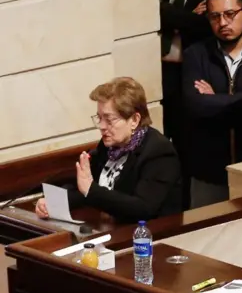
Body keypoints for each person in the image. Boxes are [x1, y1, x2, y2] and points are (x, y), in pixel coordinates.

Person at [35, 78, 183, 223]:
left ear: (134, 120)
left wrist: (91, 190)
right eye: (99, 118)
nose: (102, 126)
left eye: (109, 119)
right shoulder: (109, 147)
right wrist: (53, 203)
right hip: (111, 230)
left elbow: (143, 208)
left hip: (150, 234)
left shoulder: (159, 153)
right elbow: (85, 191)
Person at [181, 0, 242, 207]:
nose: (222, 23)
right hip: (209, 173)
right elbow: (197, 106)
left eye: (230, 14)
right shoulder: (196, 56)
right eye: (215, 17)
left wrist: (216, 100)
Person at [159, 0, 223, 202]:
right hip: (162, 70)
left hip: (192, 73)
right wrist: (183, 15)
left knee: (187, 146)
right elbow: (147, 9)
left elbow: (205, 25)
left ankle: (185, 205)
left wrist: (166, 11)